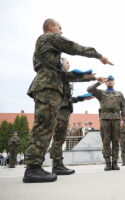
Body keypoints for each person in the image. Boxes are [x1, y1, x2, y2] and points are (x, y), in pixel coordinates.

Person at [23, 18, 113, 183]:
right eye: (59, 27)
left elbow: (63, 76)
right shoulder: (48, 37)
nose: (61, 31)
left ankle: (51, 165)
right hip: (47, 88)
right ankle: (33, 168)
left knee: (47, 127)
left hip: (50, 87)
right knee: (43, 127)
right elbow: (73, 47)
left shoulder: (49, 55)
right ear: (50, 27)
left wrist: (88, 78)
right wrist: (98, 56)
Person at [49, 57, 96, 176]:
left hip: (65, 111)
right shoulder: (60, 76)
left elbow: (67, 99)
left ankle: (58, 164)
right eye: (67, 63)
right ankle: (57, 164)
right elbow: (57, 97)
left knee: (61, 138)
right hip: (60, 111)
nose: (69, 64)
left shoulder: (65, 79)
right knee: (58, 138)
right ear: (61, 64)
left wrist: (81, 98)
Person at [87, 75, 125, 171]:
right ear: (106, 82)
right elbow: (89, 89)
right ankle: (108, 163)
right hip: (105, 119)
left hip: (116, 119)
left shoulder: (119, 94)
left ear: (114, 82)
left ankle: (115, 162)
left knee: (116, 141)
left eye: (112, 80)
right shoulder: (101, 93)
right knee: (106, 141)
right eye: (108, 81)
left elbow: (123, 107)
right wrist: (99, 82)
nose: (110, 82)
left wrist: (123, 119)